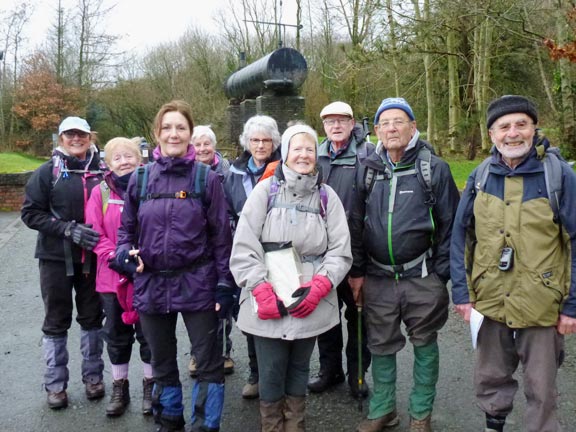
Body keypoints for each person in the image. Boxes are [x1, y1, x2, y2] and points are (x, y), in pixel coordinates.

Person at [450, 95, 576, 432]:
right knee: (490, 377)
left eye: (521, 124)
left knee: (542, 386)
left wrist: (572, 306)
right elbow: (460, 236)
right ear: (492, 134)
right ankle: (495, 425)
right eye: (504, 126)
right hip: (490, 299)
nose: (513, 133)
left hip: (542, 302)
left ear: (534, 128)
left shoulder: (559, 176)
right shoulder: (480, 176)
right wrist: (462, 294)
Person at [115, 100, 235, 432]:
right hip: (151, 283)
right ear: (157, 133)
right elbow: (126, 230)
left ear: (190, 135)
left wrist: (225, 284)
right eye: (167, 127)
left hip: (198, 281)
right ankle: (169, 421)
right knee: (162, 361)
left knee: (209, 363)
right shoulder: (139, 180)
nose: (173, 133)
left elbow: (221, 236)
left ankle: (204, 426)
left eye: (180, 127)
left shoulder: (205, 179)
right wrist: (125, 254)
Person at [230, 124, 352, 431]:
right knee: (270, 372)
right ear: (285, 153)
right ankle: (271, 426)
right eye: (297, 148)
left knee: (299, 368)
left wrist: (322, 285)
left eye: (310, 149)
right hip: (268, 294)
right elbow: (244, 245)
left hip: (310, 296)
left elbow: (340, 250)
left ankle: (295, 425)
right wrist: (258, 287)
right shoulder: (265, 190)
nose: (304, 155)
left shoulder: (327, 197)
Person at [350, 98, 460, 432]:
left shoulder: (433, 168)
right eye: (385, 123)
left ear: (413, 127)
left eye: (399, 121)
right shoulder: (367, 167)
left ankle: (420, 414)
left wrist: (440, 275)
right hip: (378, 276)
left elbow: (451, 225)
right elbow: (355, 220)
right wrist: (357, 271)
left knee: (424, 343)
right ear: (377, 130)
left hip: (422, 276)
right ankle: (384, 410)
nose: (392, 128)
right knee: (380, 344)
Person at [21, 116, 106, 409]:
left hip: (92, 259)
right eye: (70, 134)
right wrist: (68, 229)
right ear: (61, 138)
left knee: (93, 318)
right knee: (56, 321)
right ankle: (55, 384)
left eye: (81, 134)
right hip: (55, 259)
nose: (76, 139)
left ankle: (93, 378)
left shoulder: (102, 171)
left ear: (90, 137)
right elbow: (31, 214)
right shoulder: (47, 173)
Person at [307, 101, 374, 399]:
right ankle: (329, 370)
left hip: (358, 252)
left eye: (341, 120)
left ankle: (357, 375)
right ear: (323, 126)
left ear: (351, 123)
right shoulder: (314, 157)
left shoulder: (366, 156)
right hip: (322, 256)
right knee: (326, 316)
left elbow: (366, 210)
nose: (335, 126)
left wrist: (358, 266)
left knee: (360, 319)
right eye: (329, 121)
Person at [85, 137, 154, 417]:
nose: (124, 161)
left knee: (149, 335)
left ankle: (151, 385)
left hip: (147, 274)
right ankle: (119, 386)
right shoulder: (100, 192)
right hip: (111, 276)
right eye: (118, 158)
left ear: (140, 160)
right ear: (108, 163)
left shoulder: (152, 187)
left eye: (130, 156)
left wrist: (144, 258)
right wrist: (116, 258)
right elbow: (94, 233)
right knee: (116, 335)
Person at [223, 114, 282, 399]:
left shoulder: (283, 168)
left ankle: (278, 375)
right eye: (255, 140)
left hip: (277, 249)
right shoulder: (233, 173)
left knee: (279, 309)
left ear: (274, 142)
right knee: (250, 311)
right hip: (245, 250)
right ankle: (257, 373)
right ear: (247, 142)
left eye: (266, 140)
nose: (260, 145)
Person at [189, 125, 235, 376]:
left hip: (223, 239)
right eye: (197, 144)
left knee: (223, 298)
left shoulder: (228, 172)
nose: (202, 149)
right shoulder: (189, 172)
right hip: (197, 243)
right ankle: (199, 354)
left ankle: (224, 351)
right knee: (197, 303)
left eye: (207, 143)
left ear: (214, 146)